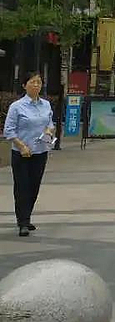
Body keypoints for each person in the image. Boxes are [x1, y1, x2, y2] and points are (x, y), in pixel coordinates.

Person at [4, 73, 55, 237]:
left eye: (39, 82)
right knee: (22, 187)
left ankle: (26, 216)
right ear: (24, 85)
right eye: (32, 82)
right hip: (22, 153)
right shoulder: (17, 106)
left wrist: (49, 131)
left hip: (40, 151)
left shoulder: (46, 105)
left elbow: (50, 123)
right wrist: (21, 146)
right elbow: (9, 130)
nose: (36, 85)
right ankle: (23, 222)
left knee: (34, 187)